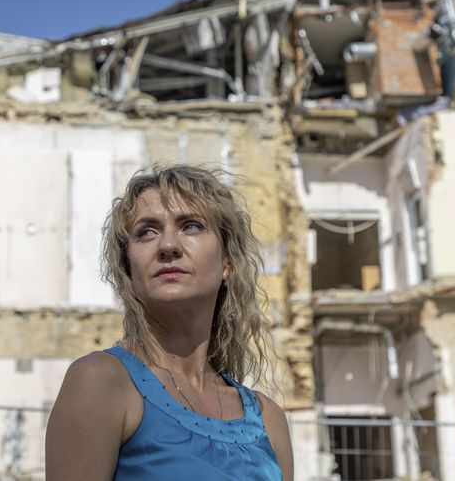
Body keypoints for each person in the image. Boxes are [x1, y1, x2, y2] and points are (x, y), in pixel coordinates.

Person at [45, 164, 293, 481]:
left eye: (191, 226)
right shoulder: (102, 382)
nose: (168, 246)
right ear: (128, 270)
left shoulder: (268, 420)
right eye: (146, 232)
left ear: (227, 262)